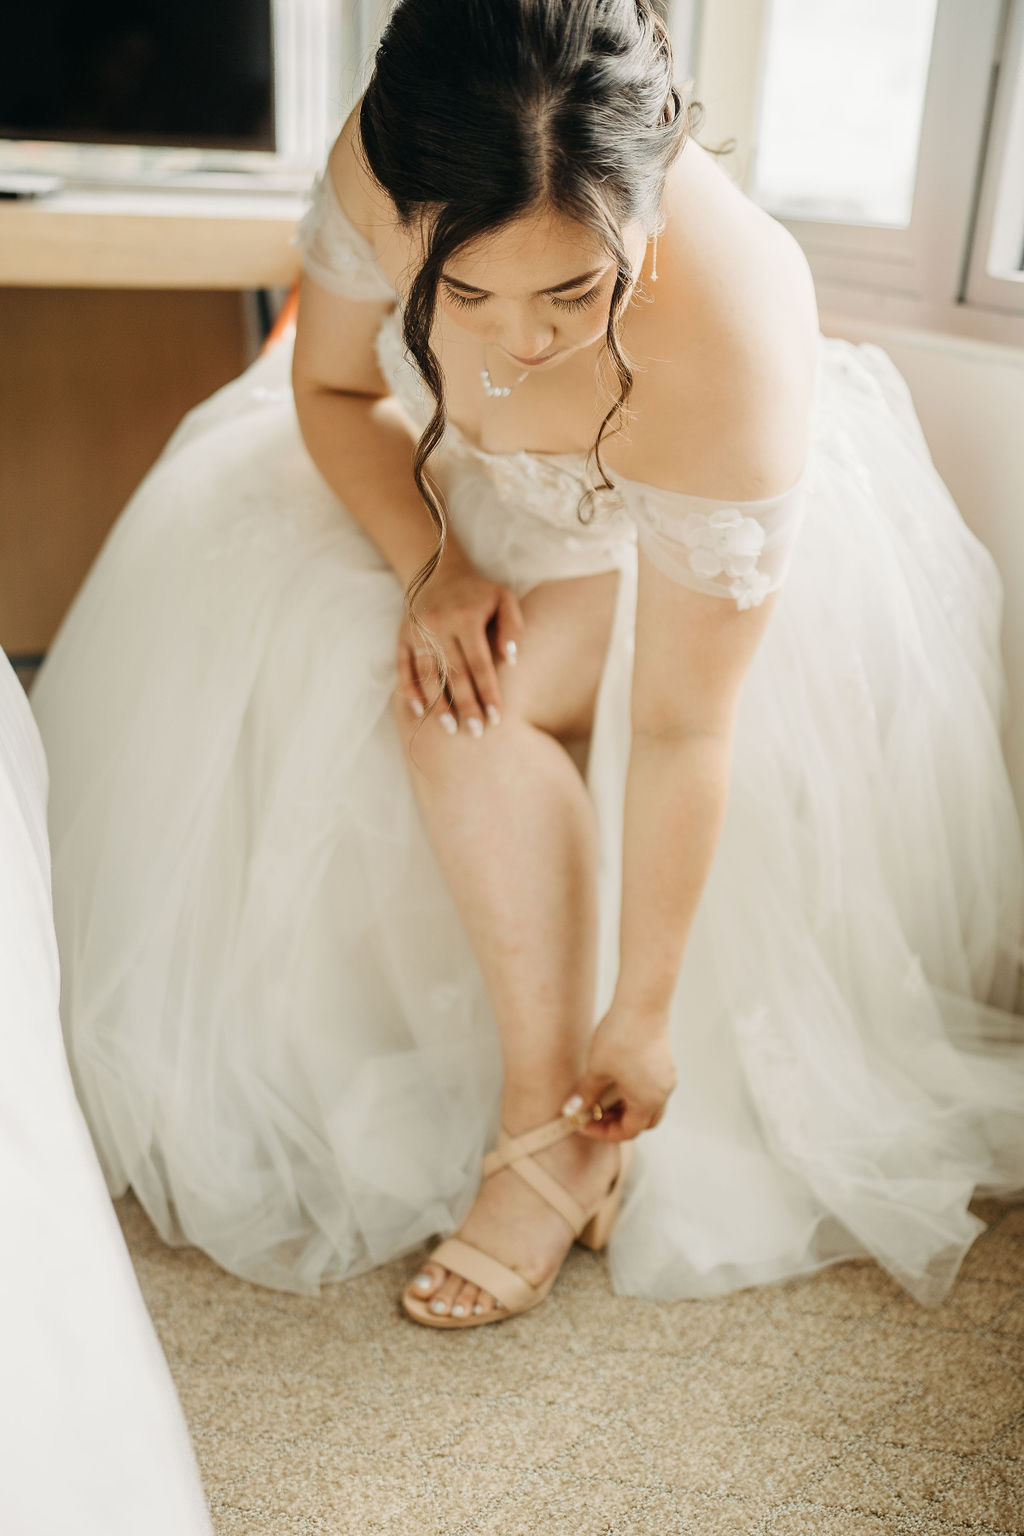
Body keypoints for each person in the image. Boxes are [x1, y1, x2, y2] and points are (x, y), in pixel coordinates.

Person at [31, 0, 1024, 1329]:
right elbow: (330, 394)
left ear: (650, 204)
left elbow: (680, 726)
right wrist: (432, 561)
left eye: (575, 289)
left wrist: (646, 1013)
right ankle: (535, 1100)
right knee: (427, 686)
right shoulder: (377, 161)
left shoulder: (725, 331)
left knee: (463, 713)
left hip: (653, 537)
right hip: (453, 502)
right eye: (469, 293)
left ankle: (556, 1127)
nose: (517, 345)